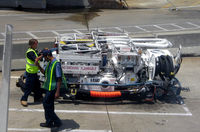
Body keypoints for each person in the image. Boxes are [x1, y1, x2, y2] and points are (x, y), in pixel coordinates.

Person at [35, 49, 62, 128]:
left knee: (46, 104)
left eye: (44, 57)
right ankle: (49, 122)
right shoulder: (49, 63)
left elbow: (59, 78)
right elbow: (45, 72)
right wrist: (38, 65)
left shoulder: (56, 64)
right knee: (49, 106)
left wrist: (57, 92)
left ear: (47, 56)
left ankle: (57, 122)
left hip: (52, 88)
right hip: (48, 87)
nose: (43, 59)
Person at [20, 39, 43, 107]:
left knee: (37, 86)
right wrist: (42, 55)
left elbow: (37, 56)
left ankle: (38, 97)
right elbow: (36, 59)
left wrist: (40, 53)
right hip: (30, 73)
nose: (37, 45)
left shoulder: (34, 50)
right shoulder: (30, 52)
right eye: (36, 44)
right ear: (32, 44)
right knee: (29, 87)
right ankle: (23, 99)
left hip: (34, 72)